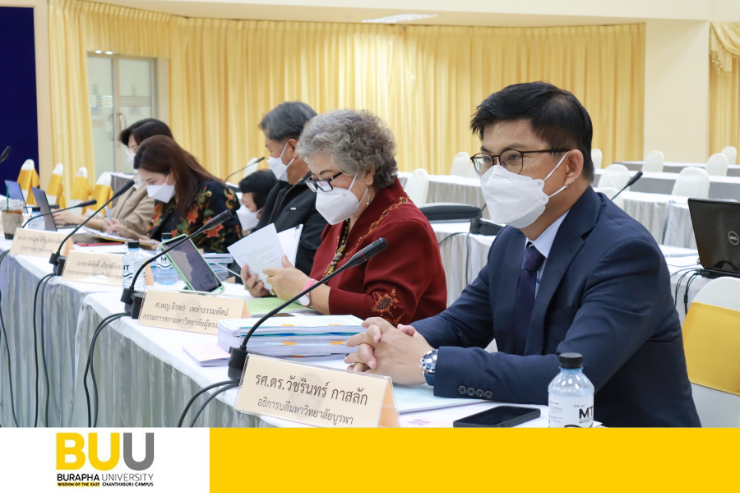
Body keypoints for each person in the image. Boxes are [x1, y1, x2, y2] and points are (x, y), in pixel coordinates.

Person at [344, 82, 700, 427]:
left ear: (571, 166)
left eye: (513, 157)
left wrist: (429, 363)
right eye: (488, 159)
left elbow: (568, 375)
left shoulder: (625, 253)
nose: (494, 175)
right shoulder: (513, 239)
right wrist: (389, 341)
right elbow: (460, 324)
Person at [242, 109, 447, 324]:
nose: (321, 189)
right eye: (315, 180)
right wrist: (278, 287)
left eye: (327, 178)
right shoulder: (346, 215)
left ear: (367, 172)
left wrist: (304, 291)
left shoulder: (404, 225)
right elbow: (325, 289)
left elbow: (386, 311)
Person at [109, 135, 242, 253]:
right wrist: (130, 235)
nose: (150, 189)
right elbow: (157, 244)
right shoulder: (167, 196)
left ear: (174, 171)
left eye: (152, 181)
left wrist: (169, 251)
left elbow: (226, 251)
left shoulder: (212, 193)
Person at [251, 102, 327, 277]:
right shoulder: (279, 189)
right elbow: (257, 242)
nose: (270, 159)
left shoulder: (323, 192)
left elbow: (308, 261)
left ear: (293, 148)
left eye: (270, 150)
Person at [53, 118, 168, 235]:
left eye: (135, 149)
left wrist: (78, 219)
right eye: (130, 150)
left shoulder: (159, 185)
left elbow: (131, 226)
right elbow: (110, 218)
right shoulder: (135, 181)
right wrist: (71, 217)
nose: (132, 156)